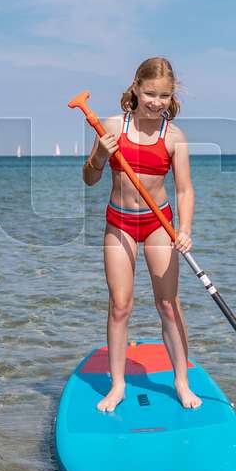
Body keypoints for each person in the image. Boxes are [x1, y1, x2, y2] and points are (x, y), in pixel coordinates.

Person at [81, 57, 200, 412]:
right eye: (150, 93)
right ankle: (117, 386)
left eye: (164, 96)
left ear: (171, 96)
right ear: (135, 87)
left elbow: (184, 191)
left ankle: (181, 381)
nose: (156, 102)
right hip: (119, 224)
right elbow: (89, 178)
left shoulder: (174, 137)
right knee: (121, 306)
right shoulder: (111, 127)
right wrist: (101, 155)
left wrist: (186, 229)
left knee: (168, 304)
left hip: (159, 224)